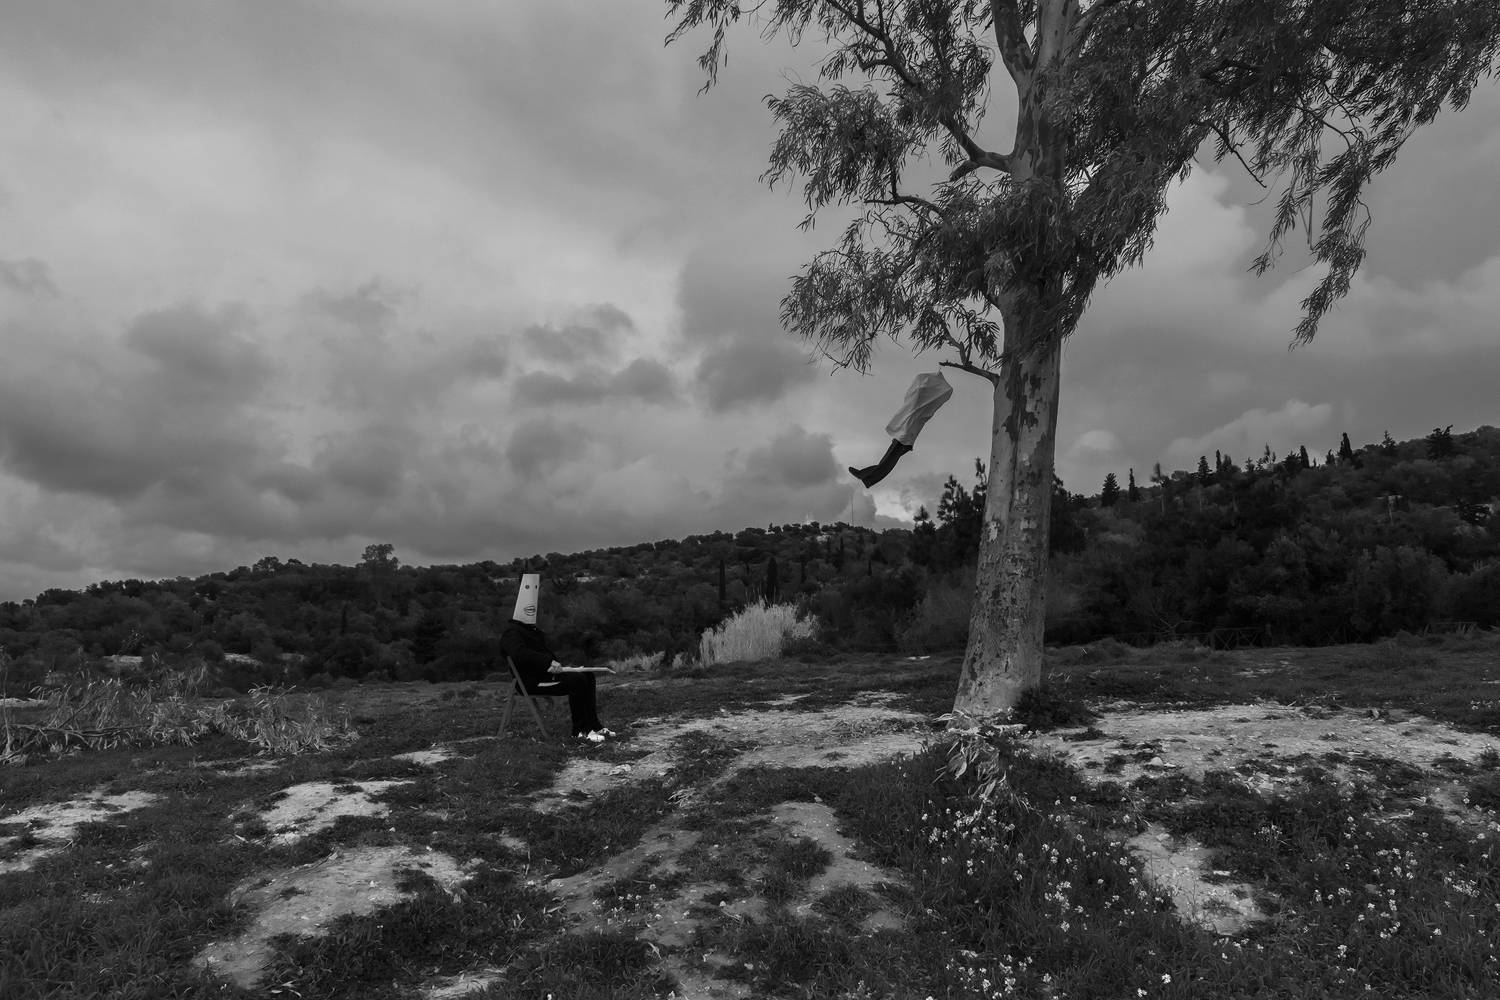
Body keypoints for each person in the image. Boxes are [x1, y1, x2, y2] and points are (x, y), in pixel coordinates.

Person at [499, 573, 613, 741]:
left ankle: (594, 726)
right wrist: (548, 662)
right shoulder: (512, 633)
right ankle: (580, 731)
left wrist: (559, 666)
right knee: (577, 681)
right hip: (531, 682)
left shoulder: (532, 631)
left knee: (587, 676)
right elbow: (519, 654)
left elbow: (542, 656)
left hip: (546, 676)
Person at [849, 371, 954, 488]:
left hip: (907, 432)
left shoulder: (931, 391)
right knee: (890, 458)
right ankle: (865, 476)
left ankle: (865, 476)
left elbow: (913, 394)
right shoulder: (930, 391)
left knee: (890, 458)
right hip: (908, 432)